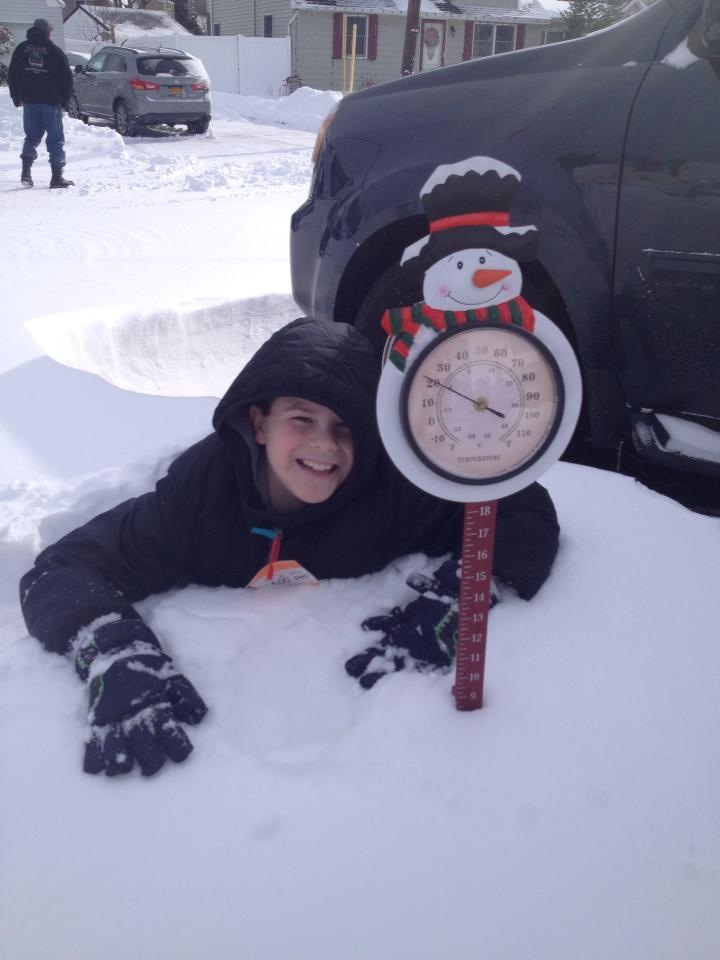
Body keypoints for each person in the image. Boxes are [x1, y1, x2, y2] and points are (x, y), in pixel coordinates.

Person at [19, 318, 560, 778]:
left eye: (346, 429)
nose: (324, 444)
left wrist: (459, 601)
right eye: (301, 419)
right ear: (259, 422)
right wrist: (112, 649)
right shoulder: (197, 501)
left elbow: (521, 510)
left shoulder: (391, 495)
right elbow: (63, 569)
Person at [8, 18, 74, 189]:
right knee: (55, 140)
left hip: (29, 101)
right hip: (51, 102)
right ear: (48, 33)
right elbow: (67, 78)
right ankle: (57, 177)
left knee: (31, 137)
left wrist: (16, 96)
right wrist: (65, 101)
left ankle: (26, 173)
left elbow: (13, 74)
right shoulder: (55, 51)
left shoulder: (21, 49)